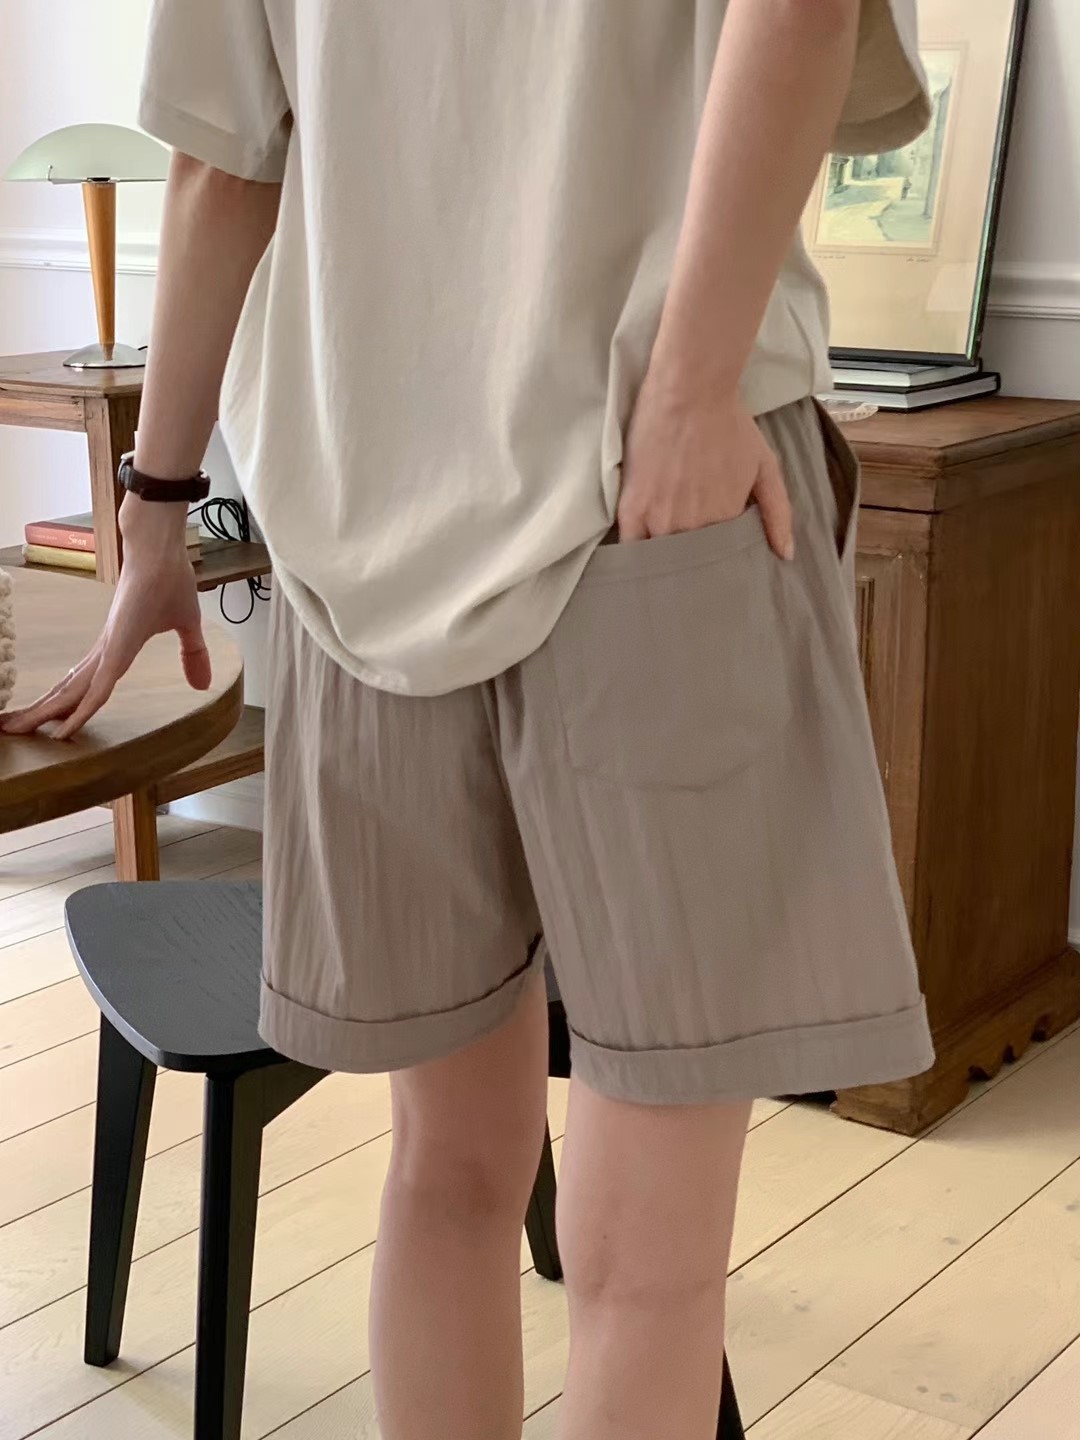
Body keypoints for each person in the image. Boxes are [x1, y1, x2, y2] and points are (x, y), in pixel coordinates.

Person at [3, 2, 937, 1435]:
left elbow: (220, 157)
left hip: (373, 516)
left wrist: (158, 509)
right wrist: (693, 391)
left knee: (445, 1174)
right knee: (643, 1253)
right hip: (649, 475)